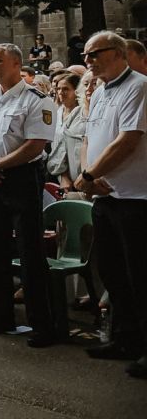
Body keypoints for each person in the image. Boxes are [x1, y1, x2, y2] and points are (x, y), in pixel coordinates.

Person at [0, 43, 57, 347]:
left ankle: (42, 324)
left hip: (20, 178)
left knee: (30, 251)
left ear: (16, 64)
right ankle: (0, 315)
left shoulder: (37, 100)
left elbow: (35, 145)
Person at [74, 32, 147, 377]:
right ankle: (125, 338)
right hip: (106, 195)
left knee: (140, 276)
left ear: (118, 53)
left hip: (136, 197)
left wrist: (90, 175)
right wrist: (89, 174)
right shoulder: (100, 90)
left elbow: (128, 140)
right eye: (86, 55)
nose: (88, 61)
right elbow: (90, 136)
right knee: (113, 273)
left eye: (95, 54)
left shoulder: (139, 86)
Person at [47, 73, 85, 188]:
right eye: (58, 89)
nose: (60, 92)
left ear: (76, 91)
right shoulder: (57, 112)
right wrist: (63, 175)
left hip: (79, 173)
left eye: (66, 89)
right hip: (58, 172)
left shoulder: (83, 114)